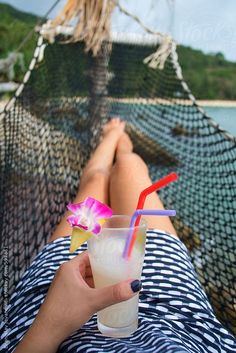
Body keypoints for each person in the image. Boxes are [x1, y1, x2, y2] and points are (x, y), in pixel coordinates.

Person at [1, 118, 236, 353]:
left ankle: (112, 135)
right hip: (173, 303)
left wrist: (47, 330)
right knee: (129, 165)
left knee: (95, 179)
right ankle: (118, 138)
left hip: (50, 306)